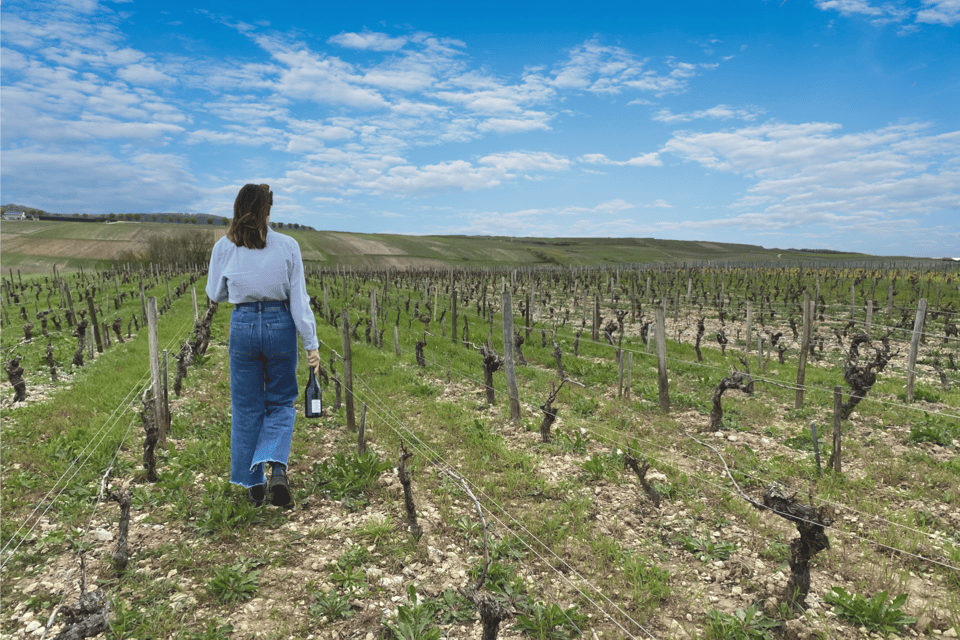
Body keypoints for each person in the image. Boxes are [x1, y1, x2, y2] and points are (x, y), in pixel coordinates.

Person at [205, 183, 320, 507]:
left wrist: (241, 292)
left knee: (246, 406)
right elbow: (298, 300)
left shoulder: (224, 248)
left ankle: (253, 483)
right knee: (282, 401)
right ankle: (278, 470)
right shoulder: (288, 246)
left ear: (237, 208)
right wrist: (311, 343)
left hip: (242, 325)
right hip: (279, 324)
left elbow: (215, 293)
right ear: (268, 209)